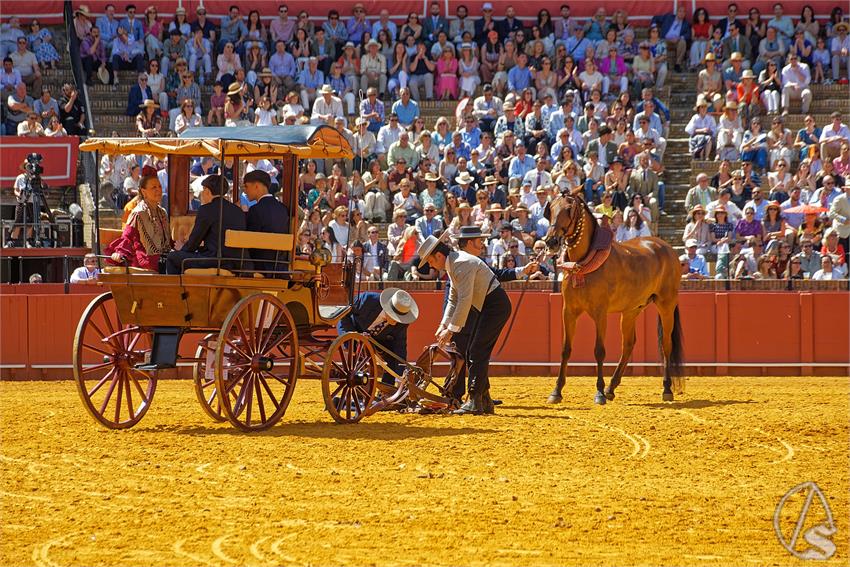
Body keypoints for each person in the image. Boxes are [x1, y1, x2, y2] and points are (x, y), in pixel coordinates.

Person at [417, 232, 512, 415]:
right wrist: (443, 325)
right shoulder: (455, 263)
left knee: (477, 350)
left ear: (438, 255)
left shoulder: (460, 264)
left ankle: (476, 401)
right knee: (474, 350)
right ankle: (483, 400)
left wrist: (451, 330)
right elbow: (453, 299)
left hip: (494, 306)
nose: (430, 265)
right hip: (489, 305)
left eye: (429, 261)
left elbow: (464, 300)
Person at [338, 288, 419, 387]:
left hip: (378, 341)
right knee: (357, 359)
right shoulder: (367, 300)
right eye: (395, 317)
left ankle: (387, 389)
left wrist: (400, 376)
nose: (397, 322)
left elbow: (400, 347)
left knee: (393, 358)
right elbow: (343, 313)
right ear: (388, 309)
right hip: (354, 331)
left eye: (400, 319)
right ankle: (358, 392)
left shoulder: (402, 322)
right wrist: (351, 336)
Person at [166, 175, 246, 274]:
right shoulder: (238, 211)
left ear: (207, 191)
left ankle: (177, 290)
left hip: (215, 261)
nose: (202, 193)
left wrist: (182, 249)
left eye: (203, 190)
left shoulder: (206, 209)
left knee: (172, 257)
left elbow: (194, 241)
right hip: (236, 262)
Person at [105, 175, 172, 272]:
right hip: (146, 258)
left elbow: (167, 241)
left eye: (160, 186)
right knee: (173, 262)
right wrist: (119, 253)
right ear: (144, 192)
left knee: (180, 260)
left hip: (164, 256)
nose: (158, 190)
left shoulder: (162, 212)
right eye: (154, 187)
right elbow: (127, 236)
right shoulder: (138, 213)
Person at [243, 170, 290, 274]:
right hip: (281, 267)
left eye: (246, 186)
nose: (244, 191)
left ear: (256, 186)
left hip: (260, 267)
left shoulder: (255, 210)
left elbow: (249, 242)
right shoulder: (283, 209)